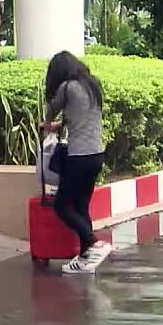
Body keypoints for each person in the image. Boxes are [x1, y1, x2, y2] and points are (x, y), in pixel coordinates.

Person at [41, 51, 111, 274]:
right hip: (96, 155)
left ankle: (94, 243)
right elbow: (82, 119)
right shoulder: (92, 85)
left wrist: (48, 123)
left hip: (78, 157)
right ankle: (84, 259)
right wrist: (60, 126)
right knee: (81, 206)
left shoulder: (68, 87)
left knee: (62, 206)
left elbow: (52, 108)